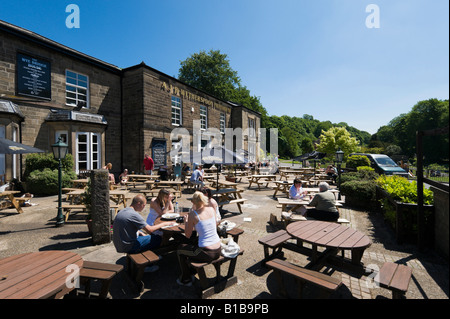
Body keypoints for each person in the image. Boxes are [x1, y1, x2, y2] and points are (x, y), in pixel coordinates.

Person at [176, 191, 221, 286]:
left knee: (180, 249)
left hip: (207, 252)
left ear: (193, 202)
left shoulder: (193, 214)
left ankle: (186, 278)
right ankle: (191, 270)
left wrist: (186, 222)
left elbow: (187, 235)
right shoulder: (211, 209)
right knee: (194, 242)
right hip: (218, 248)